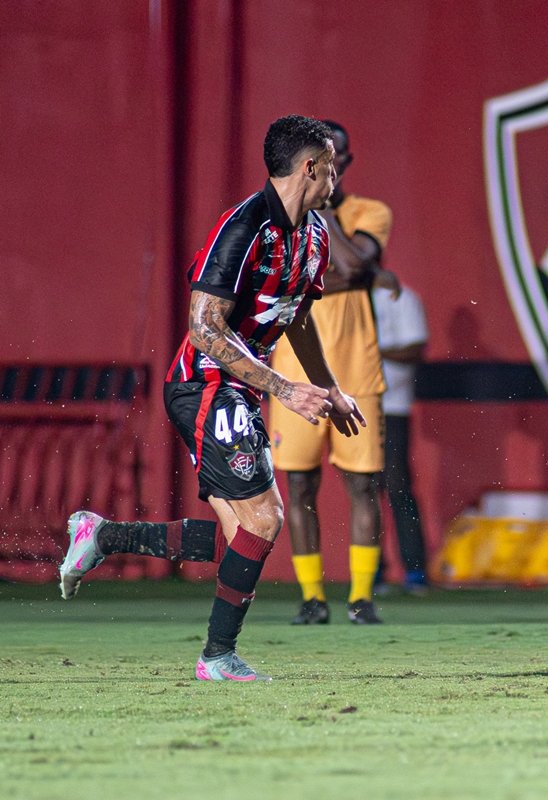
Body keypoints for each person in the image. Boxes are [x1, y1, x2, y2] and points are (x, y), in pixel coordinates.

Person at [59, 115, 364, 680]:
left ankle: (102, 535)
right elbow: (203, 328)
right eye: (332, 165)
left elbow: (296, 320)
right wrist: (286, 390)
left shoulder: (316, 235)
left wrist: (329, 389)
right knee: (267, 518)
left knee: (242, 543)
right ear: (311, 166)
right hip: (204, 384)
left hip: (242, 389)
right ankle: (217, 657)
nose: (337, 176)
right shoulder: (242, 228)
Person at [268, 120, 398, 625]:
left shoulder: (369, 212)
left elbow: (356, 267)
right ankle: (312, 598)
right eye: (321, 159)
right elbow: (314, 277)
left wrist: (321, 213)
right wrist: (351, 272)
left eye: (336, 157)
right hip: (294, 372)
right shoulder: (279, 215)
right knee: (299, 485)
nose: (331, 166)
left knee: (363, 486)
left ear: (346, 161)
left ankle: (362, 597)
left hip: (356, 367)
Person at [372, 282, 431, 593]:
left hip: (392, 406)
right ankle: (371, 570)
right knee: (364, 488)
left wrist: (369, 349)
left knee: (397, 485)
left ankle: (415, 569)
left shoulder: (401, 297)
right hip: (354, 405)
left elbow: (414, 349)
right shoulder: (343, 297)